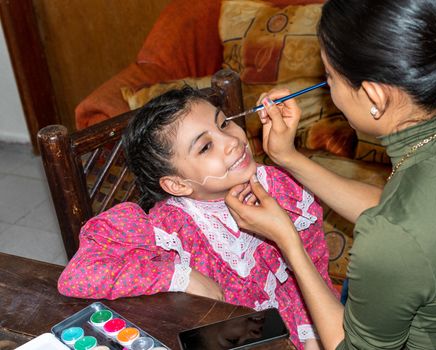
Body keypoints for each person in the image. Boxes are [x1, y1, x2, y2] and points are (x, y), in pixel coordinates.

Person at [225, 0, 436, 349]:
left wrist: (288, 240)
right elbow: (394, 213)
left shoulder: (395, 233)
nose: (328, 90)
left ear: (374, 95)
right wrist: (288, 157)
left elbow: (349, 344)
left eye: (329, 78)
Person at [57, 87, 338, 350]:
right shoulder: (167, 227)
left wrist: (311, 335)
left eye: (224, 122)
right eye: (205, 147)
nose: (231, 141)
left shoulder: (281, 189)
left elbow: (313, 267)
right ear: (178, 185)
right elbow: (77, 277)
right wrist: (178, 275)